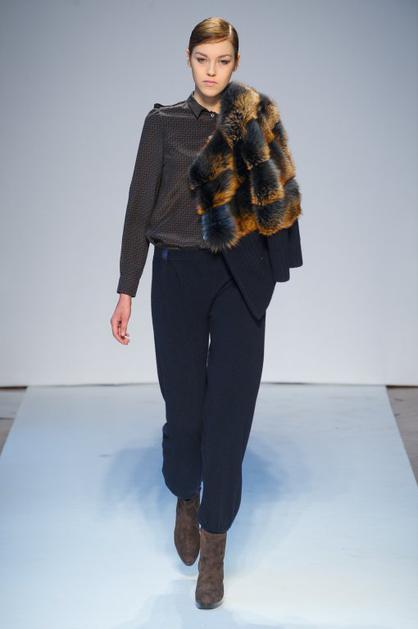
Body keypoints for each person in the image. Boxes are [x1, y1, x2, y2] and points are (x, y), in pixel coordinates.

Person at [110, 16, 303, 610]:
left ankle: (215, 545)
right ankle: (185, 495)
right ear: (189, 59)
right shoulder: (163, 123)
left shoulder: (255, 119)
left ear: (235, 62)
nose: (212, 71)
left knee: (230, 416)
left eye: (222, 60)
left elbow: (281, 197)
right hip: (176, 275)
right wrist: (126, 288)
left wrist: (269, 272)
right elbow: (139, 204)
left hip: (238, 276)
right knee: (185, 412)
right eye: (202, 59)